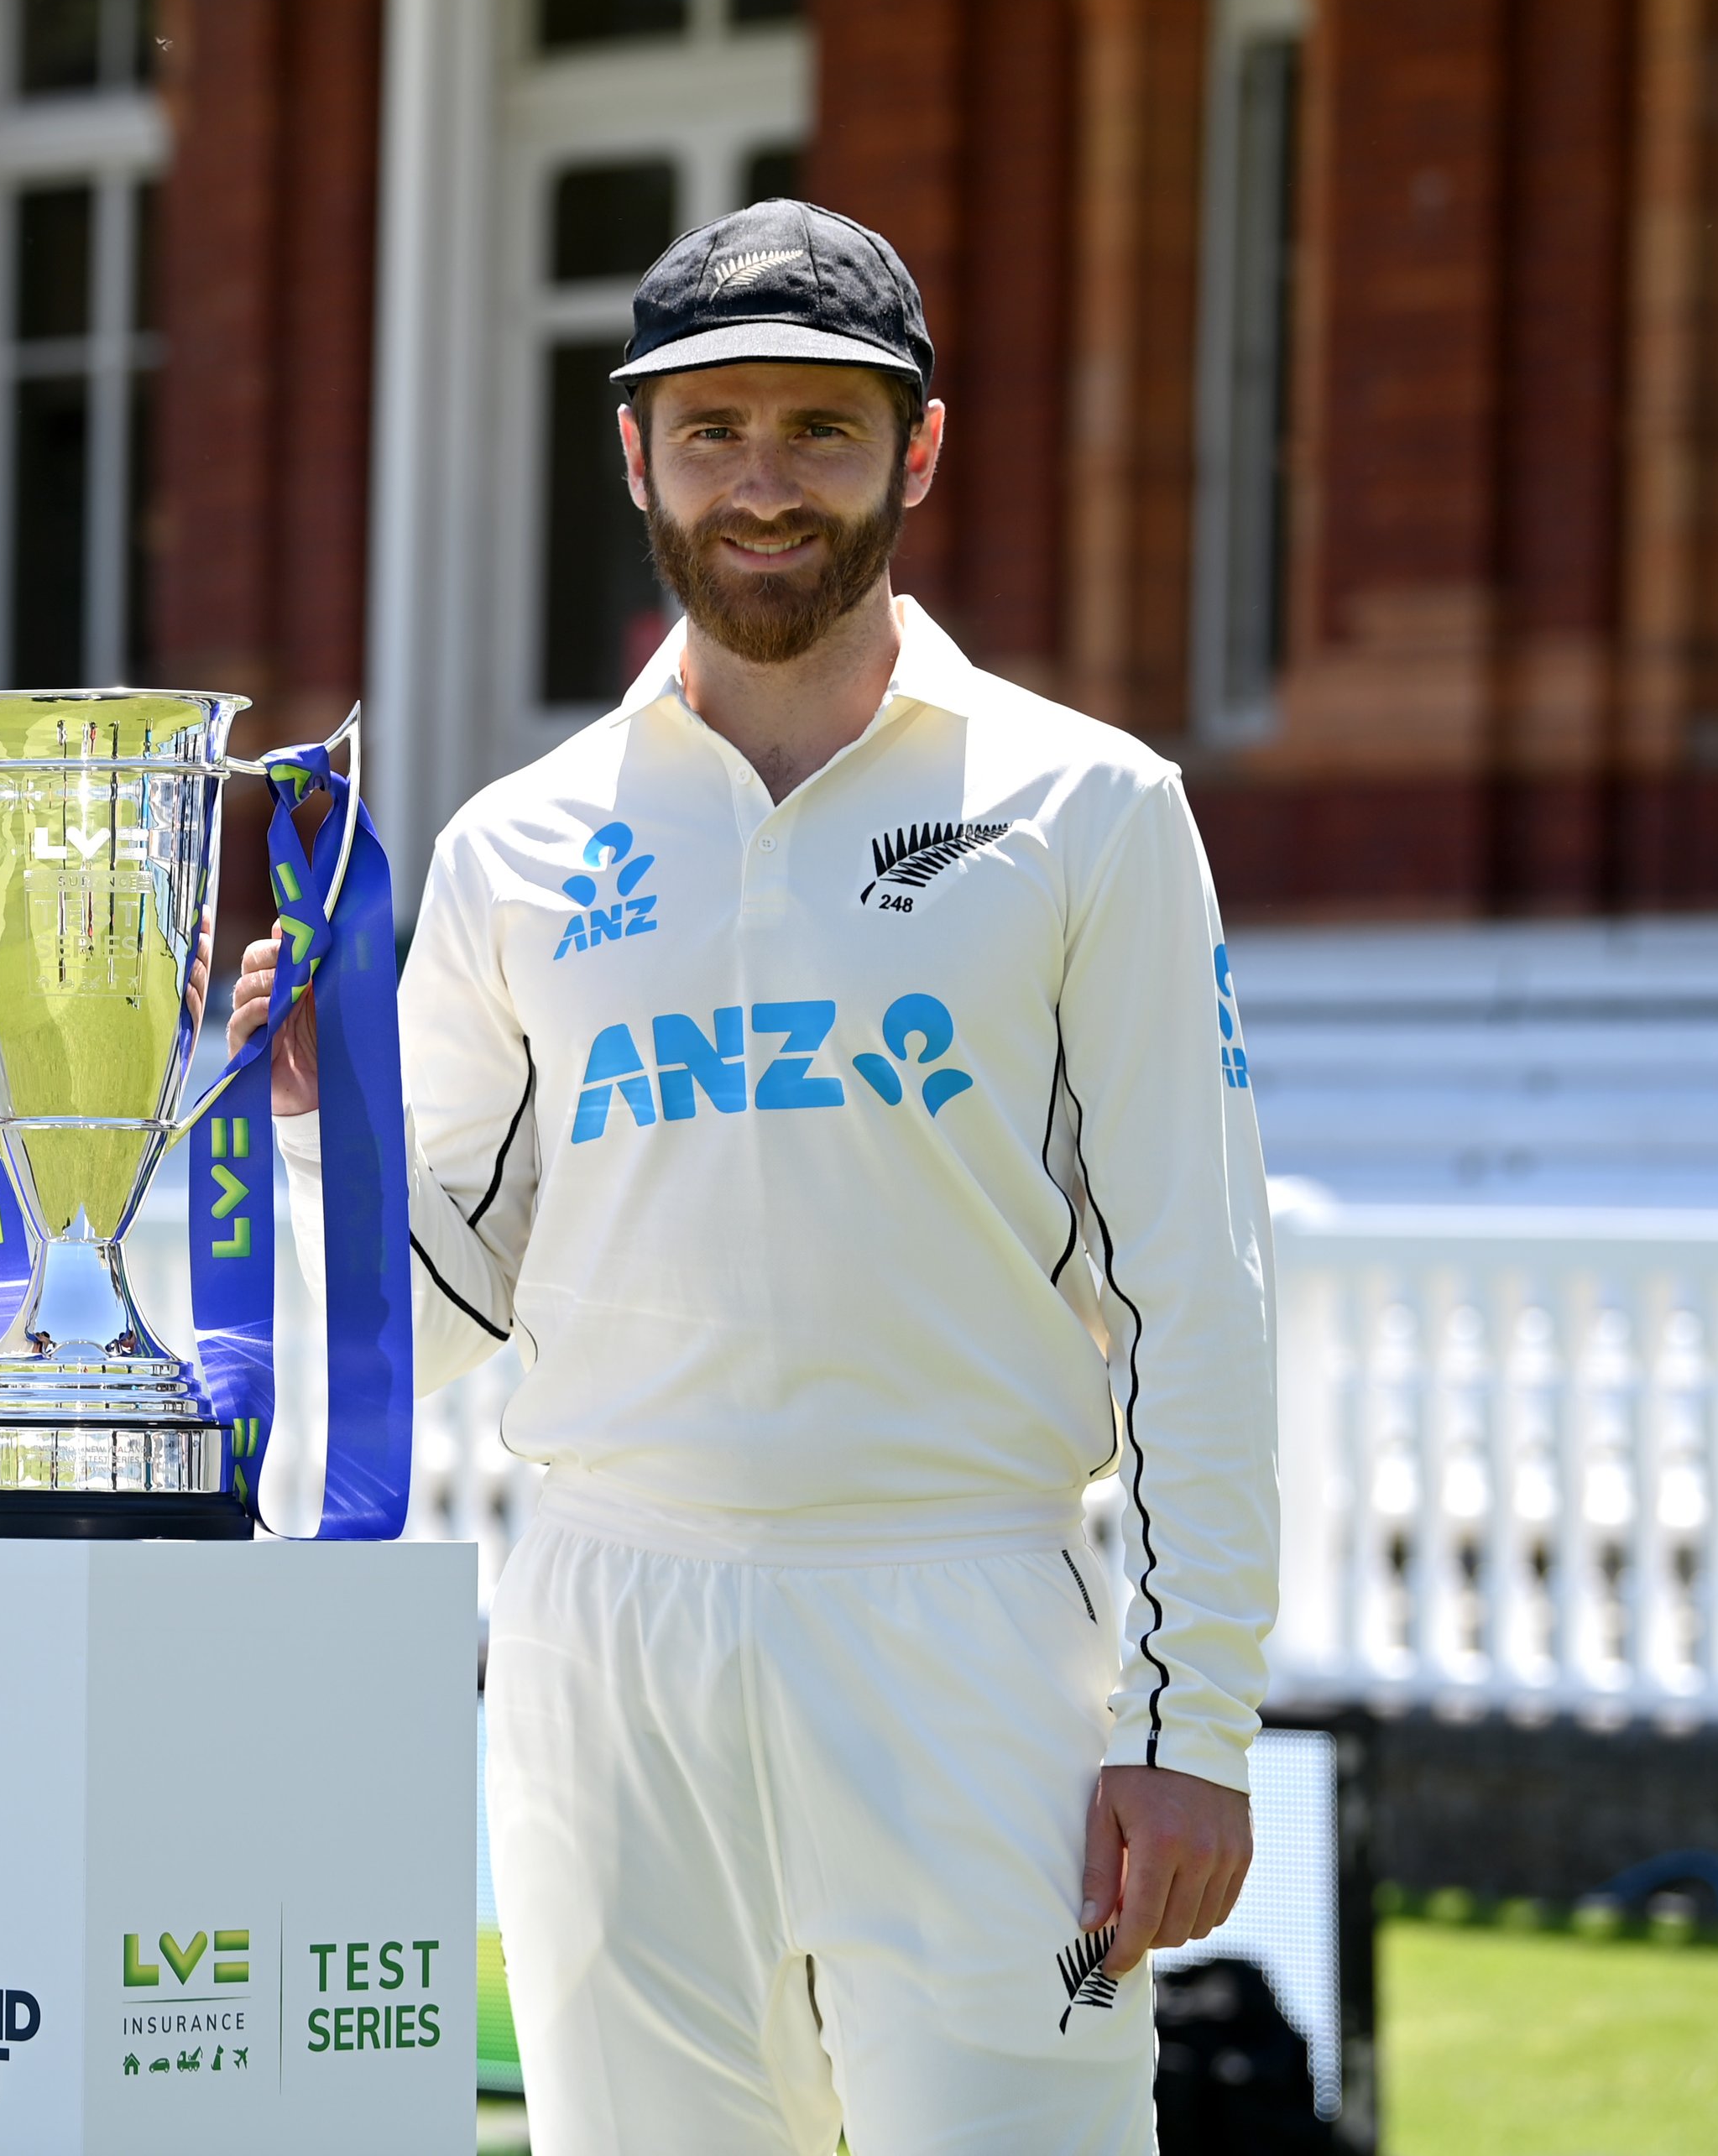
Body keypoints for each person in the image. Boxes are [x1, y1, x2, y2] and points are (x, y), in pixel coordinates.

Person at [235, 199, 1275, 2153]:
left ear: (917, 448)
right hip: (605, 1631)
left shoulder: (1087, 808)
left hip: (966, 1625)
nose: (763, 483)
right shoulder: (514, 842)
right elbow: (449, 1311)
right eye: (711, 429)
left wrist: (1190, 1726)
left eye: (819, 427)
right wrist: (312, 1119)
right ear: (632, 451)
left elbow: (1193, 1295)